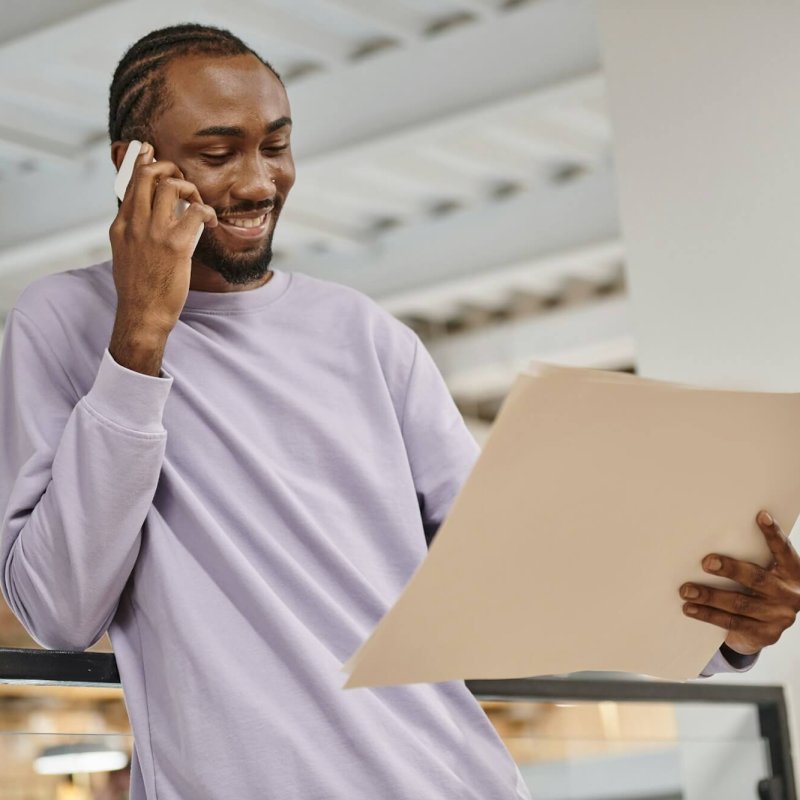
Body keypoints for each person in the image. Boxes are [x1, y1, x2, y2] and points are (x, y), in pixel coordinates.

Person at [1, 23, 799, 800]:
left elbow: (515, 569)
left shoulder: (366, 336)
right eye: (217, 154)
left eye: (275, 145)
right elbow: (60, 610)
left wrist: (720, 632)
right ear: (132, 164)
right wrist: (139, 339)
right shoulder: (65, 324)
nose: (257, 182)